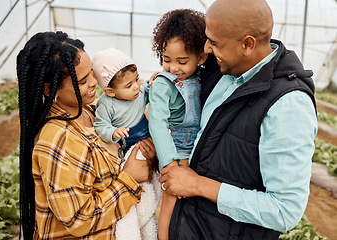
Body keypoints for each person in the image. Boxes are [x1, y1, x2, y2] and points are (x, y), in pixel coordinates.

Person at [159, 0, 318, 239]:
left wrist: (198, 185)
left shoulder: (287, 105)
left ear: (247, 44)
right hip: (191, 224)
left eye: (214, 42)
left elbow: (284, 211)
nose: (207, 49)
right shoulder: (225, 69)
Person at [17, 31, 156, 239]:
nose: (94, 82)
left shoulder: (89, 112)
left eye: (92, 72)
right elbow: (79, 219)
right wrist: (129, 179)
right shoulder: (58, 139)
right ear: (49, 89)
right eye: (82, 81)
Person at [149, 9, 208, 240]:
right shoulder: (163, 84)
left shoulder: (202, 76)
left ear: (201, 57)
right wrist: (169, 163)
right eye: (166, 60)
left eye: (182, 61)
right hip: (175, 150)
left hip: (196, 149)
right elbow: (157, 123)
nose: (174, 68)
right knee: (170, 201)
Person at [92, 47, 161, 239]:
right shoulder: (106, 104)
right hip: (128, 143)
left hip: (147, 133)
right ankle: (140, 216)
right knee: (140, 176)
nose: (136, 87)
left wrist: (152, 83)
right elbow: (100, 125)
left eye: (137, 79)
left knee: (159, 161)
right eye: (129, 84)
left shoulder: (138, 93)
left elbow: (147, 90)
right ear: (110, 91)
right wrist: (113, 132)